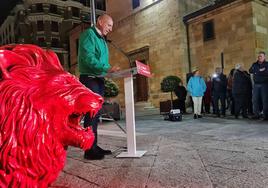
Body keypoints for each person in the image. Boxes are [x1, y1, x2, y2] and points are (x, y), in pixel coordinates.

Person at [78, 14, 120, 160]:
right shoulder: (89, 34)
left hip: (99, 79)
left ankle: (94, 146)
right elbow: (88, 58)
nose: (110, 29)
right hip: (90, 79)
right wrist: (106, 68)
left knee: (96, 116)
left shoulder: (102, 39)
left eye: (111, 26)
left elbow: (102, 60)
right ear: (100, 22)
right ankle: (89, 150)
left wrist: (108, 70)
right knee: (91, 115)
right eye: (109, 25)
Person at [249, 51, 268, 120]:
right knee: (255, 100)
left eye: (261, 56)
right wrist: (260, 70)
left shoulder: (267, 64)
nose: (259, 57)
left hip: (264, 85)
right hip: (256, 85)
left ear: (264, 57)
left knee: (265, 100)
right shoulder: (254, 64)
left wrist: (257, 71)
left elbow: (266, 72)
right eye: (259, 56)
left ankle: (266, 116)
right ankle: (256, 114)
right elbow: (250, 70)